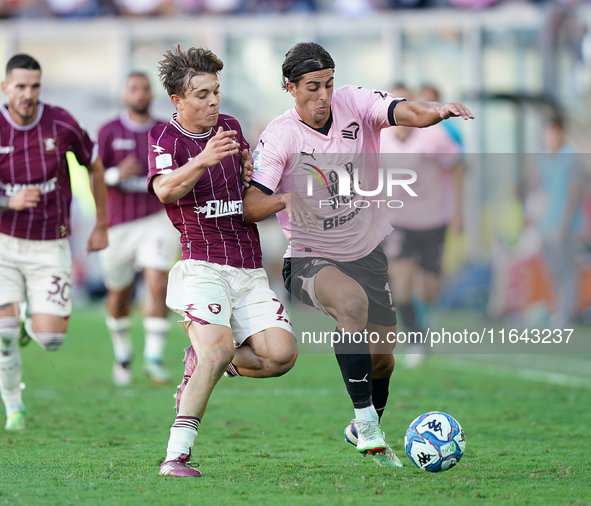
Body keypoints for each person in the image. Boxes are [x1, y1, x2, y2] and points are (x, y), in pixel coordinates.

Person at [242, 42, 473, 468]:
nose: (324, 95)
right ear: (289, 87)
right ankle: (367, 427)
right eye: (313, 86)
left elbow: (405, 111)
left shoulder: (354, 102)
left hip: (367, 251)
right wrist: (284, 199)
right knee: (351, 304)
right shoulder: (280, 135)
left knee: (383, 357)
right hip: (309, 257)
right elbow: (251, 205)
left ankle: (364, 424)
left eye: (328, 84)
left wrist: (437, 110)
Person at [147, 45, 296, 477]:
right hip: (202, 264)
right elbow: (165, 191)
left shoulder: (230, 127)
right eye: (201, 94)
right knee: (217, 349)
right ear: (178, 100)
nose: (213, 101)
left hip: (247, 267)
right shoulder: (165, 138)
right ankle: (175, 456)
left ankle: (205, 360)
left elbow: (247, 200)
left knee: (281, 357)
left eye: (216, 92)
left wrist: (260, 182)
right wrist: (204, 158)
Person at [0, 53, 108, 431]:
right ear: (5, 88)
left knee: (49, 339)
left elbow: (93, 163)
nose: (28, 94)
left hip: (49, 244)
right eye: (20, 86)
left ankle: (29, 316)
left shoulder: (61, 122)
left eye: (34, 86)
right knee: (4, 334)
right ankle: (15, 406)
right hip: (4, 243)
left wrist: (101, 223)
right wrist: (7, 200)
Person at [98, 72, 180, 386]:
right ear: (124, 95)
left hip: (155, 218)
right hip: (119, 224)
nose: (141, 94)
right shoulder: (108, 131)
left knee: (157, 281)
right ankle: (122, 355)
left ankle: (154, 358)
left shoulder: (163, 131)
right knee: (119, 292)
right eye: (134, 89)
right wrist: (117, 174)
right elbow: (94, 175)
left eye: (145, 89)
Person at [381, 83, 464, 368]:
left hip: (433, 220)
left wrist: (458, 212)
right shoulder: (376, 138)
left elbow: (457, 167)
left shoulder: (434, 135)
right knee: (400, 282)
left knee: (429, 289)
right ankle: (416, 339)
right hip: (398, 222)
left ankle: (421, 313)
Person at [531, 114, 585, 328]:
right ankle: (559, 309)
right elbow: (539, 188)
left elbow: (574, 190)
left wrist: (565, 221)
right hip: (546, 222)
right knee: (552, 268)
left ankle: (568, 312)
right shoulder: (543, 158)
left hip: (565, 224)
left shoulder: (570, 157)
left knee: (566, 268)